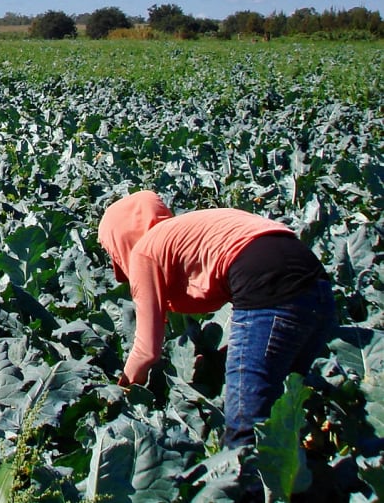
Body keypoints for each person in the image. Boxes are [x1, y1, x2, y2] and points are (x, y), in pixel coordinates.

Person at [98, 189, 335, 449]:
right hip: (318, 285)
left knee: (247, 429)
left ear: (119, 237)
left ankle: (249, 484)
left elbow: (146, 350)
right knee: (282, 412)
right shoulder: (186, 229)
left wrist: (122, 392)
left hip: (267, 286)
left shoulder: (146, 250)